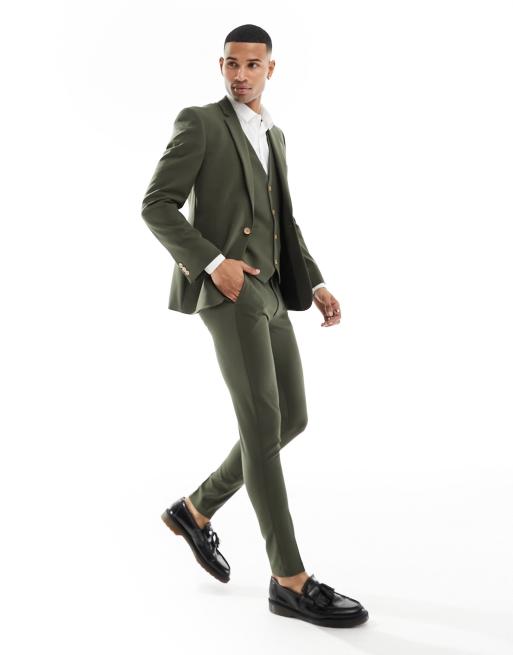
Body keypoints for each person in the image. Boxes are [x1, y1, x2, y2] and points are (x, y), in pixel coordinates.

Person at [141, 23, 368, 628]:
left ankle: (195, 510)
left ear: (271, 69)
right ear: (220, 65)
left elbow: (281, 220)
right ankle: (289, 579)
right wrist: (214, 262)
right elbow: (156, 205)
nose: (240, 75)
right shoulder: (200, 122)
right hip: (230, 290)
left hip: (269, 290)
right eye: (231, 64)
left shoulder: (275, 133)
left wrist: (313, 281)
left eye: (252, 64)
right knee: (262, 425)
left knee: (292, 417)